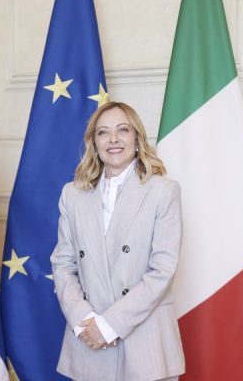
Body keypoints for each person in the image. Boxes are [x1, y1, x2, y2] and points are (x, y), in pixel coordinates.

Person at [50, 101, 185, 381]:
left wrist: (110, 326)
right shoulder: (72, 194)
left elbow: (162, 271)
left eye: (122, 130)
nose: (113, 139)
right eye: (103, 132)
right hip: (88, 341)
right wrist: (86, 322)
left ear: (137, 139)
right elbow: (63, 265)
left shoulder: (163, 191)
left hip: (145, 343)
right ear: (94, 142)